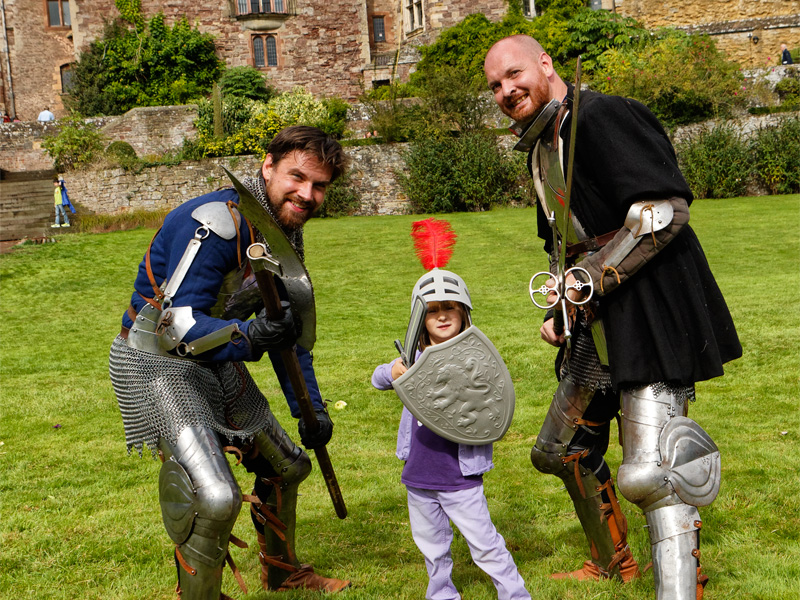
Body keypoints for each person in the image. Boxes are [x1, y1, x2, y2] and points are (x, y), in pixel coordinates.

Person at [484, 35, 741, 600]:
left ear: (545, 64)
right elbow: (565, 243)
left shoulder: (600, 116)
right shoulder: (543, 144)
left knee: (651, 472)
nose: (506, 90)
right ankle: (613, 559)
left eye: (513, 75)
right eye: (496, 86)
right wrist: (562, 304)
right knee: (559, 449)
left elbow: (662, 211)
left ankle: (681, 590)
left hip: (646, 309)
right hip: (593, 319)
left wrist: (591, 278)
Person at [109, 126, 351, 599]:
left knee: (288, 468)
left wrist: (311, 412)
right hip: (157, 363)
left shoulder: (281, 236)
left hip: (215, 357)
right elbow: (173, 327)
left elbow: (287, 336)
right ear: (267, 166)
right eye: (297, 177)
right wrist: (249, 336)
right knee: (215, 498)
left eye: (319, 185)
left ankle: (283, 574)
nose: (306, 194)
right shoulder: (219, 221)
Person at [371, 219, 531, 600]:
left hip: (460, 477)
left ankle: (515, 595)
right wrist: (393, 370)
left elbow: (489, 400)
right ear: (419, 318)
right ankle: (442, 595)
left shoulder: (474, 361)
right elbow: (379, 378)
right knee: (432, 548)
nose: (442, 316)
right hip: (419, 475)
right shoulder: (413, 359)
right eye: (433, 310)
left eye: (450, 309)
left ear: (464, 314)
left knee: (485, 544)